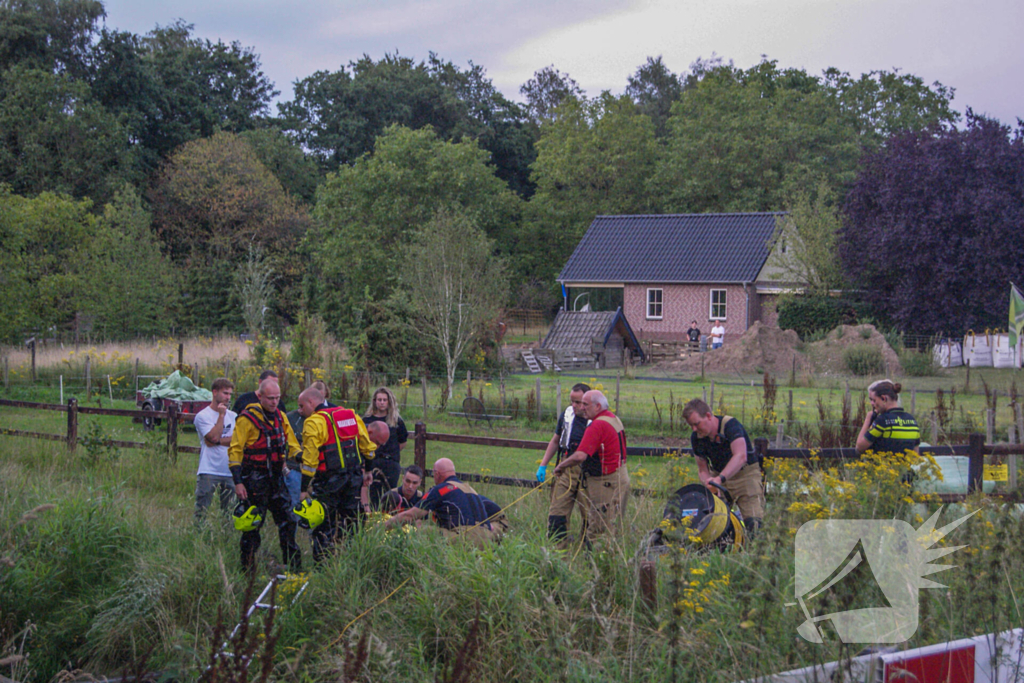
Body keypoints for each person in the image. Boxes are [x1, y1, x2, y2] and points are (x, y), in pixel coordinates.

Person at [297, 386, 389, 562]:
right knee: (353, 524)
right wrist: (368, 470)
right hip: (353, 480)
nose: (301, 411)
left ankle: (323, 567)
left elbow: (310, 461)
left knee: (324, 527)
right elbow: (368, 449)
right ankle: (353, 562)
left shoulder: (313, 422)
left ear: (311, 402)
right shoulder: (350, 415)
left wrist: (303, 489)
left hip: (328, 482)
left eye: (302, 406)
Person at [228, 378, 303, 572]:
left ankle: (293, 567)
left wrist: (301, 457)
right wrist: (238, 482)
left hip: (277, 479)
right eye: (270, 398)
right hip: (254, 479)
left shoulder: (281, 416)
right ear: (260, 396)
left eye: (277, 398)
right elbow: (235, 451)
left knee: (288, 520)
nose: (274, 402)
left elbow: (292, 443)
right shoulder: (247, 419)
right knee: (252, 526)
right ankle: (248, 570)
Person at [553, 390, 629, 544]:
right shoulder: (614, 419)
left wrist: (562, 465)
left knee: (598, 530)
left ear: (598, 406)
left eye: (585, 404)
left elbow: (581, 455)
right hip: (621, 478)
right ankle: (610, 561)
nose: (581, 408)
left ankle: (595, 564)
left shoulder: (597, 425)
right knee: (612, 526)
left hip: (606, 483)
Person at [683, 398, 764, 531]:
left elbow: (741, 456)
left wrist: (720, 479)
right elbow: (702, 469)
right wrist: (708, 482)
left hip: (745, 476)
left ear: (708, 416)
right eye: (691, 425)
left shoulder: (731, 426)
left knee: (754, 525)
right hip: (718, 478)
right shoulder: (696, 438)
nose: (694, 429)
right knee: (714, 526)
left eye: (697, 424)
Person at [385, 458, 501, 546]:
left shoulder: (440, 489)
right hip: (486, 538)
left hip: (466, 537)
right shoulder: (469, 489)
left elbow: (409, 515)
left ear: (437, 474)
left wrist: (381, 527)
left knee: (420, 530)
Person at [536, 383, 591, 542]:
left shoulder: (596, 420)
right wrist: (543, 465)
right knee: (557, 511)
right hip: (565, 467)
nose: (575, 406)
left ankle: (587, 552)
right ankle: (557, 551)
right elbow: (555, 440)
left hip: (587, 470)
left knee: (589, 515)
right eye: (572, 401)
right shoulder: (566, 415)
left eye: (579, 402)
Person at [193, 378, 237, 523]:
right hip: (208, 470)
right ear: (214, 392)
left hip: (229, 469)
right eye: (225, 393)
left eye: (230, 394)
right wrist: (221, 416)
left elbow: (237, 440)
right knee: (202, 510)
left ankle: (226, 539)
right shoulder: (202, 416)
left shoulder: (234, 416)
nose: (228, 397)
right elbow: (212, 437)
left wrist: (218, 441)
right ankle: (198, 538)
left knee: (229, 511)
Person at [363, 387, 409, 509]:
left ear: (389, 402)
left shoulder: (396, 421)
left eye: (384, 400)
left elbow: (402, 442)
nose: (382, 402)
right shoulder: (367, 420)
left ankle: (390, 520)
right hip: (373, 461)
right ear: (374, 401)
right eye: (379, 400)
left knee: (391, 495)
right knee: (374, 495)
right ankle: (375, 520)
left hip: (391, 462)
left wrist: (391, 451)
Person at [856, 380, 921, 455]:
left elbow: (859, 447)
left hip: (884, 465)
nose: (873, 404)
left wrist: (868, 419)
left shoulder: (882, 421)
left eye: (875, 400)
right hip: (904, 466)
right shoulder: (912, 420)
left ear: (884, 399)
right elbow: (915, 453)